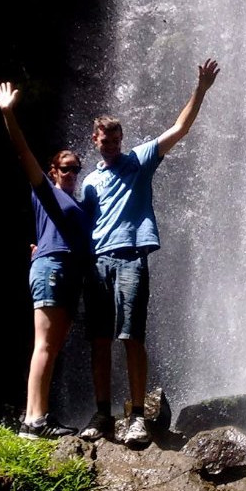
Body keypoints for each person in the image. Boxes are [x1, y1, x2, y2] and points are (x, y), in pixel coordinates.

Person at [78, 58, 220, 447]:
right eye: (105, 141)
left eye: (116, 140)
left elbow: (179, 128)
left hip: (130, 256)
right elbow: (78, 224)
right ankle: (103, 415)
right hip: (96, 262)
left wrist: (201, 90)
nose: (112, 146)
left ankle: (137, 416)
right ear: (95, 141)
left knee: (131, 336)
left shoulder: (139, 161)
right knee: (99, 341)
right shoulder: (89, 181)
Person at [0, 81, 91, 440]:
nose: (72, 173)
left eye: (76, 168)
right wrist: (8, 113)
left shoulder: (79, 205)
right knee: (44, 344)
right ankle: (32, 421)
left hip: (69, 273)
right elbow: (22, 151)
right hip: (50, 267)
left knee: (53, 346)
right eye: (65, 167)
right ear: (52, 170)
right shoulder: (44, 190)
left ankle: (39, 415)